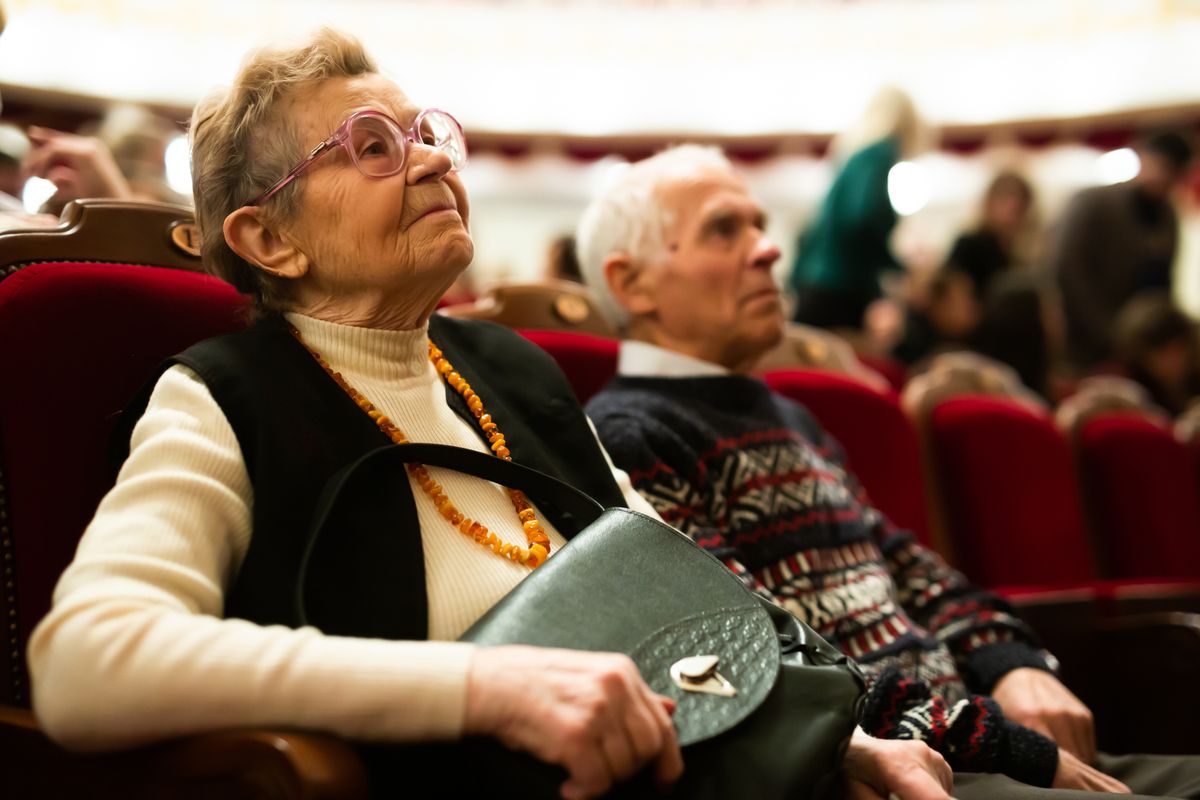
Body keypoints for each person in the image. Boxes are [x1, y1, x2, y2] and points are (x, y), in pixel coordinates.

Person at [26, 29, 946, 800]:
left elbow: (682, 593)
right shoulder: (223, 396)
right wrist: (486, 687)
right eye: (373, 145)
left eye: (427, 133)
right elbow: (85, 664)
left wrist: (837, 739)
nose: (430, 158)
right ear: (271, 238)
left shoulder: (510, 367)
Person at [579, 144, 1200, 799]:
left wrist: (1013, 662)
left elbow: (908, 565)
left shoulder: (791, 416)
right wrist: (1006, 746)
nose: (768, 249)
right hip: (892, 770)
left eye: (760, 225)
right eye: (724, 229)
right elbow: (773, 658)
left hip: (978, 737)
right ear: (632, 284)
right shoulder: (630, 435)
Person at [1051, 132, 1194, 370]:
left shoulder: (1167, 215)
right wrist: (1111, 334)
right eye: (1161, 165)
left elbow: (1164, 279)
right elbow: (1069, 272)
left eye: (1173, 172)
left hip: (1143, 345)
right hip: (1088, 346)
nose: (1163, 177)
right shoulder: (1094, 203)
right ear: (1142, 157)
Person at [787, 87, 924, 331]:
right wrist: (897, 267)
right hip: (838, 288)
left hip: (817, 283)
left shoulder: (853, 153)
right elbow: (862, 219)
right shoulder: (880, 152)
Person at [946, 170, 1036, 303]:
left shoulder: (1018, 251)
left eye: (1019, 208)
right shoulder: (970, 245)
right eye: (1005, 202)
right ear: (990, 203)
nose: (1011, 214)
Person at [1113, 291, 1200, 417]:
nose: (1174, 359)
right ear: (1141, 355)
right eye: (1163, 352)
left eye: (1179, 348)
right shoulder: (1125, 385)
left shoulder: (1195, 377)